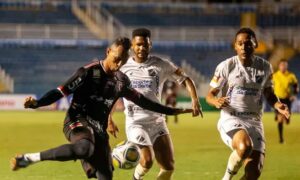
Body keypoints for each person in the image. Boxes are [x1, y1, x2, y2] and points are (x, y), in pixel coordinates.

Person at [10, 37, 193, 180]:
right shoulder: (88, 72)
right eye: (115, 59)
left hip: (99, 129)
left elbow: (144, 101)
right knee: (84, 149)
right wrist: (37, 103)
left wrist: (172, 111)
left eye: (122, 60)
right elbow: (61, 91)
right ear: (108, 51)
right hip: (77, 121)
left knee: (106, 175)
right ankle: (28, 159)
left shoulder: (121, 81)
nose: (119, 64)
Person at [109, 28, 203, 180]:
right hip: (135, 122)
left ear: (150, 45)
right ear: (132, 46)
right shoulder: (123, 67)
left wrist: (195, 100)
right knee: (147, 160)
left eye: (145, 44)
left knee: (168, 168)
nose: (141, 48)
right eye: (138, 45)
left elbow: (186, 78)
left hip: (157, 122)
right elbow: (114, 95)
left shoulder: (161, 65)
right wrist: (109, 119)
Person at [206, 28, 290, 180]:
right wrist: (216, 101)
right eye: (240, 44)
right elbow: (209, 95)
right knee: (245, 147)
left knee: (253, 173)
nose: (244, 47)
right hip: (232, 118)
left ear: (256, 44)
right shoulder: (226, 66)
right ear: (235, 46)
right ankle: (226, 178)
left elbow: (269, 93)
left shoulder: (265, 67)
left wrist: (278, 105)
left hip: (255, 122)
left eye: (248, 43)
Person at [272, 59, 299, 143]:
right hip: (278, 99)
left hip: (287, 99)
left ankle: (285, 117)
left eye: (285, 65)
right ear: (279, 66)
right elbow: (270, 86)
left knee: (287, 119)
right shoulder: (274, 76)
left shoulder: (291, 76)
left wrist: (294, 95)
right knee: (280, 119)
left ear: (287, 66)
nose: (283, 67)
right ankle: (281, 138)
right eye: (282, 65)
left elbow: (296, 86)